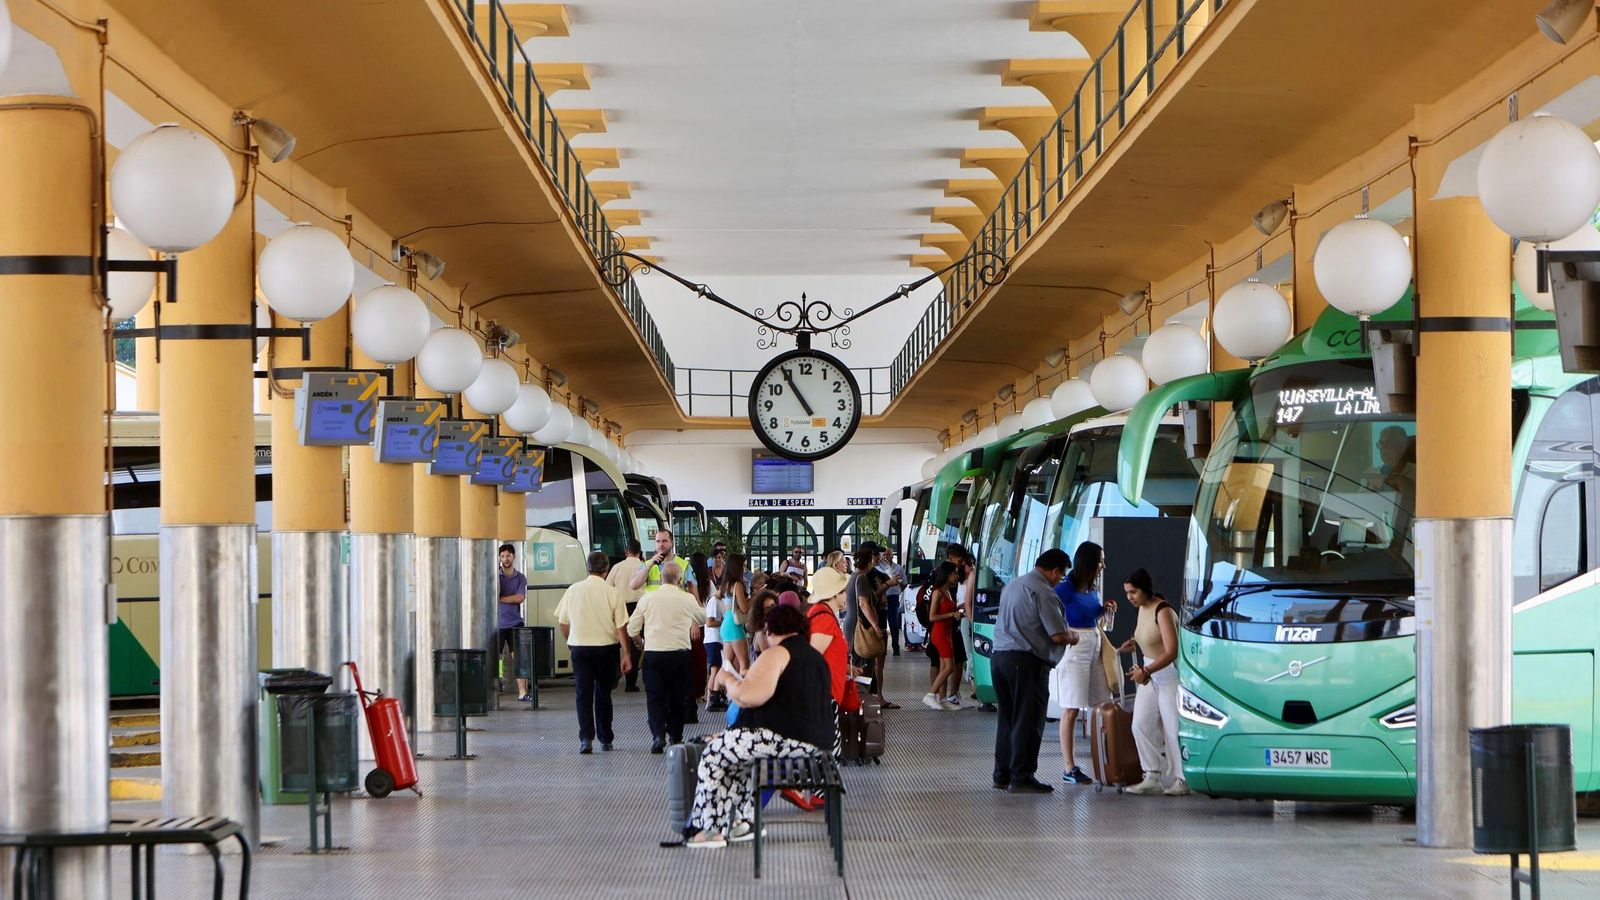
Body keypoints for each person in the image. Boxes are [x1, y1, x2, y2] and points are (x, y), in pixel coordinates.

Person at [683, 604, 836, 848]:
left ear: (770, 629)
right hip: (817, 743)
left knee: (713, 755)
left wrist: (726, 679)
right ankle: (742, 822)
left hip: (788, 741)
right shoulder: (813, 658)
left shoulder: (778, 653)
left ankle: (707, 829)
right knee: (737, 755)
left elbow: (748, 696)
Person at [990, 548, 1073, 794]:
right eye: (1061, 575)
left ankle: (1001, 774)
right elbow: (1057, 634)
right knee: (1028, 720)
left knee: (1008, 719)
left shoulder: (1013, 585)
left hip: (1000, 659)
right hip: (1026, 662)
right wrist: (1074, 637)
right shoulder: (1043, 592)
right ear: (1055, 571)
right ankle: (1022, 776)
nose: (1060, 580)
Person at [556, 551, 632, 754]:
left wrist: (571, 641)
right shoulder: (613, 593)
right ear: (606, 570)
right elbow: (621, 627)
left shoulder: (573, 590)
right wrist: (626, 654)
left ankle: (585, 739)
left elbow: (563, 623)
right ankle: (606, 739)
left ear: (588, 568)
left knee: (583, 694)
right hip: (606, 650)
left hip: (580, 649)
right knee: (603, 694)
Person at [1119, 570, 1187, 796]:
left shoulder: (1163, 610)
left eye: (1133, 592)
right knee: (1140, 724)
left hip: (1167, 676)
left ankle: (1182, 779)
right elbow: (1149, 636)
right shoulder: (1143, 609)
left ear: (1145, 589)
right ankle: (1152, 774)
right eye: (1127, 593)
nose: (1130, 597)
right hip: (1149, 675)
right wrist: (1134, 642)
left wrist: (1146, 670)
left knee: (1172, 729)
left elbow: (1171, 651)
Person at [1052, 541, 1115, 784]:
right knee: (1071, 707)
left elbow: (1090, 614)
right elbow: (1054, 614)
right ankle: (1069, 767)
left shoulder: (1091, 588)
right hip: (1074, 646)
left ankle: (1105, 758)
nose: (1103, 566)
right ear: (1088, 562)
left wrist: (1104, 610)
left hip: (1095, 642)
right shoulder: (1064, 589)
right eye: (1100, 561)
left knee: (1102, 702)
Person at [627, 561, 706, 753]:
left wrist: (639, 642)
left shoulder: (647, 598)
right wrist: (694, 594)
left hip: (654, 654)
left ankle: (657, 734)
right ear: (680, 580)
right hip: (679, 655)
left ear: (661, 578)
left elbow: (631, 628)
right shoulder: (686, 599)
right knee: (677, 697)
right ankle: (675, 736)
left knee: (655, 696)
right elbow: (703, 618)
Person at [851, 547, 896, 708]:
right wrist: (876, 626)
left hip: (858, 628)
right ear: (869, 561)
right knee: (865, 666)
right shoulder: (861, 578)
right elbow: (864, 603)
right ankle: (863, 704)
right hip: (864, 629)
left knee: (865, 665)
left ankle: (866, 701)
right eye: (874, 557)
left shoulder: (853, 577)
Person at [607, 539, 647, 692]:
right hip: (639, 608)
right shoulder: (644, 566)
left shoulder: (617, 567)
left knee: (617, 641)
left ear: (626, 552)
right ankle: (631, 683)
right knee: (635, 644)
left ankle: (616, 672)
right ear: (639, 552)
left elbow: (608, 587)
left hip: (620, 607)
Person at [922, 561, 963, 711]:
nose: (957, 577)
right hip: (939, 633)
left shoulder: (948, 592)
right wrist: (952, 614)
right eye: (955, 574)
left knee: (945, 666)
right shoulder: (937, 592)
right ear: (948, 575)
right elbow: (932, 616)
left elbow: (949, 612)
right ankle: (931, 694)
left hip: (947, 632)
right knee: (949, 667)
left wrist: (958, 611)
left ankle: (943, 698)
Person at [496, 543, 531, 701]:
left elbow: (520, 597)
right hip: (497, 623)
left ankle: (522, 692)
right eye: (502, 556)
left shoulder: (520, 577)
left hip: (515, 622)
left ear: (514, 556)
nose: (505, 559)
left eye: (508, 556)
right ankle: (498, 683)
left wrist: (501, 599)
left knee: (519, 658)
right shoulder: (496, 576)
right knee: (497, 658)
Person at [943, 544, 976, 709]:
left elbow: (966, 601)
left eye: (952, 558)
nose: (951, 562)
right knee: (964, 655)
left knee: (965, 655)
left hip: (964, 616)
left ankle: (964, 690)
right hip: (962, 616)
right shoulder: (961, 574)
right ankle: (964, 690)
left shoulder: (968, 570)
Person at [630, 528, 691, 594]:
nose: (661, 544)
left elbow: (693, 592)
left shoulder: (684, 565)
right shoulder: (648, 564)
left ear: (672, 543)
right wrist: (649, 566)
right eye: (658, 541)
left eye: (664, 541)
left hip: (675, 603)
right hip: (654, 603)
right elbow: (634, 586)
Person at [720, 554, 753, 674]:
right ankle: (743, 691)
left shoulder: (726, 584)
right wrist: (754, 597)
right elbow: (744, 609)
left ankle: (714, 691)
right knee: (744, 664)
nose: (745, 570)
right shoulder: (737, 585)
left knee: (727, 665)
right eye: (743, 566)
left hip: (726, 624)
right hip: (735, 625)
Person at [878, 547, 906, 656]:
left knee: (893, 622)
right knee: (882, 622)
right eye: (884, 555)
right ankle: (883, 648)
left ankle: (896, 647)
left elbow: (904, 583)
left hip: (893, 596)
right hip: (882, 597)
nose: (886, 557)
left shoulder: (898, 568)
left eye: (888, 554)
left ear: (892, 555)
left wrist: (898, 591)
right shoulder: (878, 568)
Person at [748, 589, 781, 659]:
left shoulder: (771, 627)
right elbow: (769, 659)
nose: (771, 610)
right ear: (760, 612)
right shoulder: (761, 632)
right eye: (767, 608)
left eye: (773, 606)